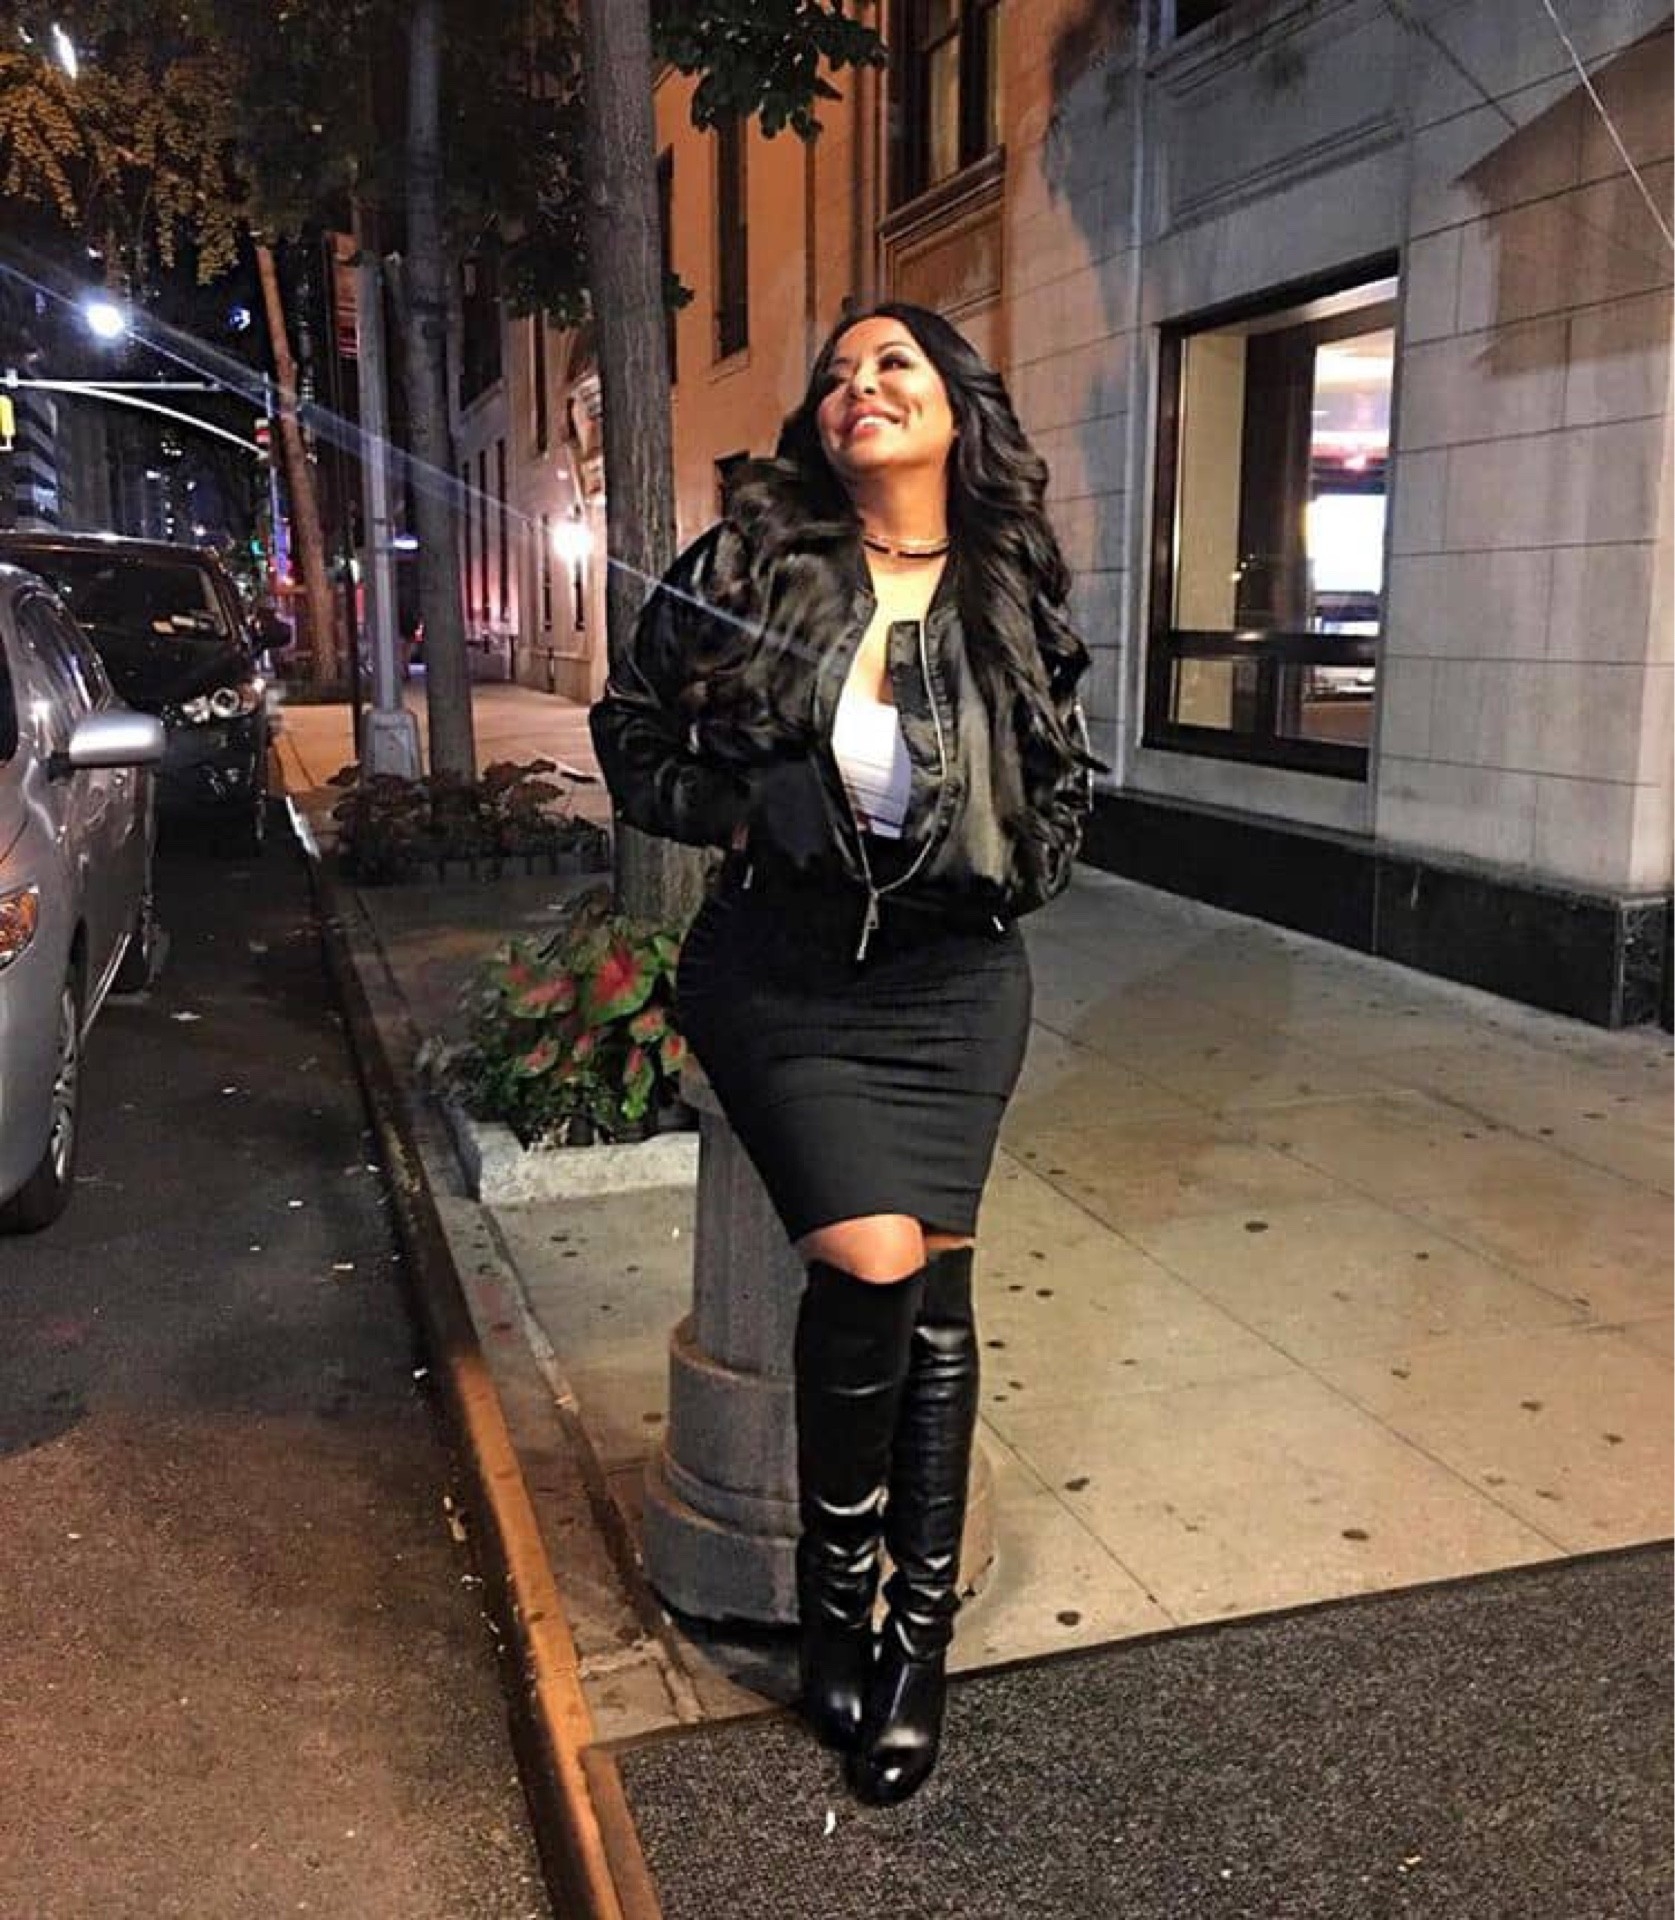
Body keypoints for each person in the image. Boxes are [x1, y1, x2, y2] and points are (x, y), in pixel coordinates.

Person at [590, 302, 1094, 1805]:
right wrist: (741, 811)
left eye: (894, 366)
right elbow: (630, 725)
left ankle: (909, 1646)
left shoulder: (1007, 578)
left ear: (955, 408)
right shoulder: (754, 563)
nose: (857, 387)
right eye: (836, 375)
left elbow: (1062, 775)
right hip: (783, 973)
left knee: (938, 1294)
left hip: (956, 985)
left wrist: (1024, 865)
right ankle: (832, 1598)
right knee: (874, 1265)